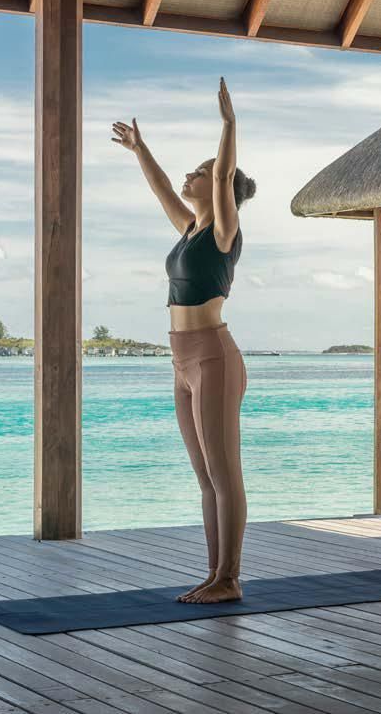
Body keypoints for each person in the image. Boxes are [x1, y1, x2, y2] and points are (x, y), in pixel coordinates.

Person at [112, 79, 256, 604]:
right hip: (182, 360)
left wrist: (228, 125)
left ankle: (231, 577)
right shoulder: (189, 229)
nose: (191, 176)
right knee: (204, 476)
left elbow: (221, 173)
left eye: (198, 171)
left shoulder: (224, 232)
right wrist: (139, 148)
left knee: (224, 471)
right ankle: (214, 573)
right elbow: (160, 191)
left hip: (214, 357)